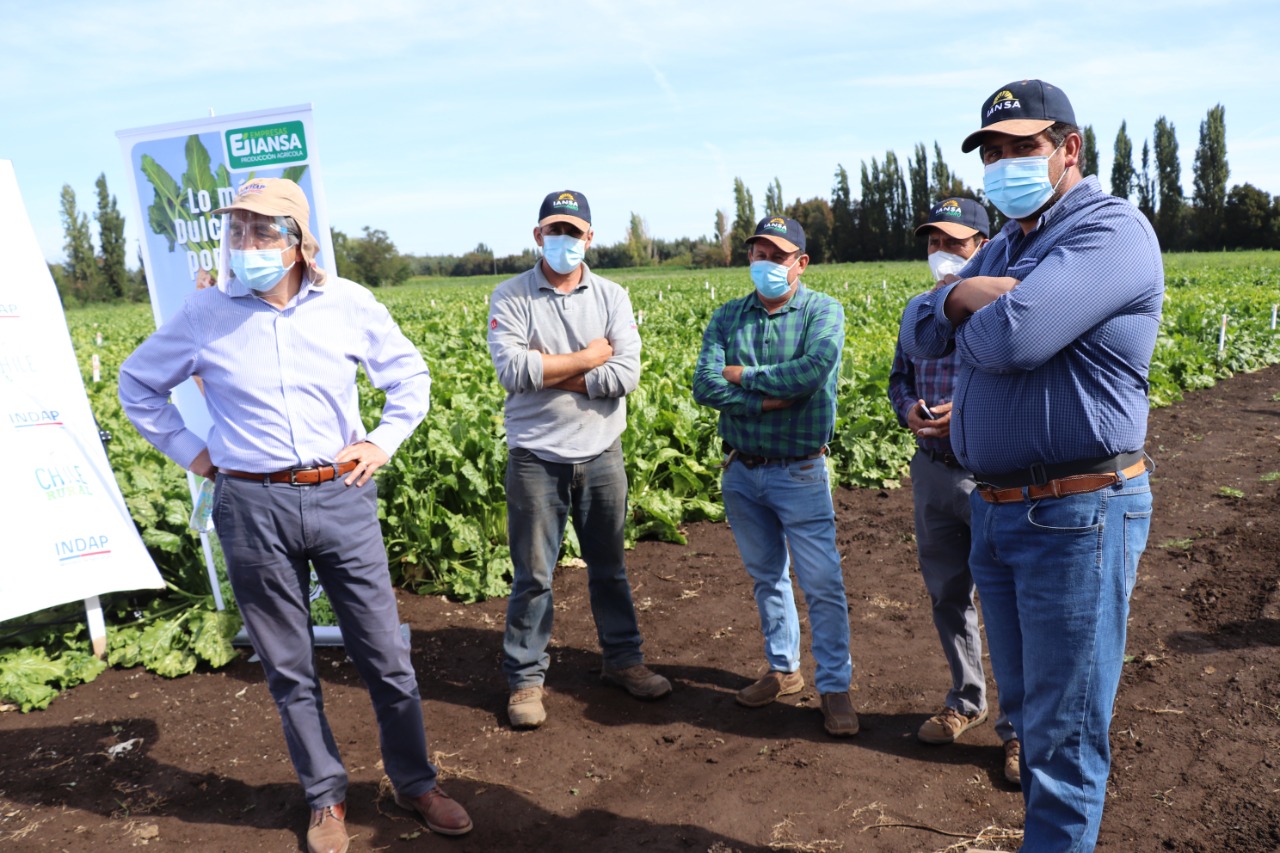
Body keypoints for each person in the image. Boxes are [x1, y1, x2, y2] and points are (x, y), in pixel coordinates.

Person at [118, 178, 472, 853]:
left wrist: (382, 439)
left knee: (385, 653)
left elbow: (410, 377)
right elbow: (137, 383)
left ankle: (416, 782)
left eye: (262, 231)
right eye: (238, 231)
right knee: (288, 665)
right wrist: (191, 451)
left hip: (339, 495)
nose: (245, 244)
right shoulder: (205, 314)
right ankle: (325, 797)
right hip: (251, 505)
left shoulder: (346, 305)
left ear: (298, 242)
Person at [899, 80, 1163, 850]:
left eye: (1023, 146)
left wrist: (973, 311)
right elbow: (921, 332)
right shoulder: (1007, 243)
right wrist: (966, 298)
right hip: (1001, 509)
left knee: (1064, 731)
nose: (1004, 163)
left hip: (1076, 511)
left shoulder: (1111, 230)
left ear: (1068, 149)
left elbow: (1013, 340)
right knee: (1023, 710)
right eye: (994, 152)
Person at [487, 190, 671, 730]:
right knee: (533, 575)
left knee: (609, 568)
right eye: (554, 230)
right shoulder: (512, 294)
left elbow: (625, 377)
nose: (564, 240)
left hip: (600, 452)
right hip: (535, 457)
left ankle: (624, 660)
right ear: (538, 235)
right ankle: (525, 679)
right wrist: (591, 358)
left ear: (590, 237)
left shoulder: (612, 295)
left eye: (574, 231)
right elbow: (511, 372)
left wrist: (551, 370)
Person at [692, 216, 858, 738]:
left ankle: (834, 688)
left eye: (777, 255)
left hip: (801, 470)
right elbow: (703, 385)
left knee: (822, 583)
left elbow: (811, 374)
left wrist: (739, 376)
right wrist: (766, 399)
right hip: (741, 470)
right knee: (767, 578)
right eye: (758, 253)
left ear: (800, 263)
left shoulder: (822, 311)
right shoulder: (727, 317)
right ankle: (784, 671)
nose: (765, 262)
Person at [888, 198, 1021, 786]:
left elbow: (1020, 384)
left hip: (990, 474)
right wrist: (909, 410)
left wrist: (963, 414)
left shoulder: (1010, 311)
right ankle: (967, 701)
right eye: (933, 243)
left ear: (984, 247)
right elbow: (898, 378)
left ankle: (1020, 731)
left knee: (1008, 603)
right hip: (931, 469)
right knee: (947, 592)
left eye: (956, 243)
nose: (942, 254)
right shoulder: (918, 310)